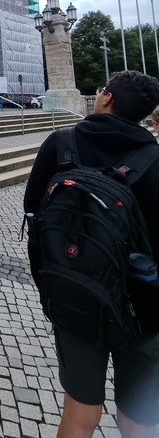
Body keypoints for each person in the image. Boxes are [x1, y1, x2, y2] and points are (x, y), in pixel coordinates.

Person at [24, 71, 159, 438]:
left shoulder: (61, 142)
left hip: (77, 292)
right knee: (137, 419)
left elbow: (34, 210)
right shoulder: (153, 156)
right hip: (143, 305)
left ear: (107, 99)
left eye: (101, 90)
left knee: (80, 415)